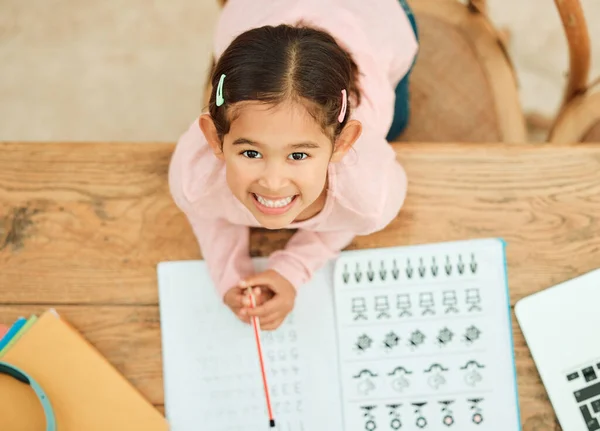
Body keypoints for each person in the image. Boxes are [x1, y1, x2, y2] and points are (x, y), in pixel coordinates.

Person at [169, 0, 419, 330]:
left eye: (298, 155)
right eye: (251, 153)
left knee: (398, 120)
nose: (273, 183)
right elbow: (204, 208)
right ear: (214, 138)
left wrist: (293, 267)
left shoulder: (371, 196)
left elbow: (350, 218)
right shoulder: (193, 178)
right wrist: (230, 276)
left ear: (343, 143)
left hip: (376, 15)